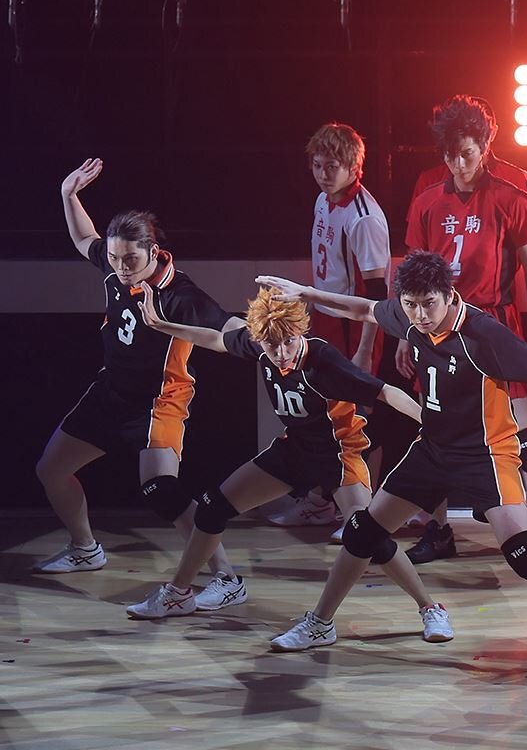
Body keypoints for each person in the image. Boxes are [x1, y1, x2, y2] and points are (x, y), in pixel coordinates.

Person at [255, 252, 527, 662]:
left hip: (486, 455)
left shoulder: (483, 333)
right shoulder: (411, 316)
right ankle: (320, 623)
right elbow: (364, 310)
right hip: (432, 450)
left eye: (428, 304)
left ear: (449, 295)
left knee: (525, 552)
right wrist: (307, 293)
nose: (419, 315)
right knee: (362, 533)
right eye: (411, 305)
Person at [125, 287, 450, 643]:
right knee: (212, 508)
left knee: (365, 536)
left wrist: (433, 423)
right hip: (294, 450)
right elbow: (215, 339)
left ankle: (429, 608)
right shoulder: (261, 345)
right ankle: (179, 593)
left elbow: (387, 392)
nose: (281, 352)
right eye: (271, 345)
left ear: (300, 331)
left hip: (338, 455)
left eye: (288, 342)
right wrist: (163, 326)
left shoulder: (323, 360)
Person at [34, 159, 244, 611]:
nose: (121, 267)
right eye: (114, 259)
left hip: (158, 401)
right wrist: (68, 195)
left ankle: (227, 578)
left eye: (130, 259)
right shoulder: (114, 266)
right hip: (111, 392)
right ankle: (85, 548)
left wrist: (267, 332)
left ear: (153, 251)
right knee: (50, 470)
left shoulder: (180, 295)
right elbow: (85, 240)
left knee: (162, 491)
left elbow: (228, 325)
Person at [403, 95, 527, 564]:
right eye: (451, 155)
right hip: (438, 328)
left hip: (491, 323)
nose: (459, 164)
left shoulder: (511, 194)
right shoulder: (428, 200)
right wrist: (408, 334)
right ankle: (438, 528)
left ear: (486, 146)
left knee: (523, 430)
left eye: (467, 153)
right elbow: (410, 278)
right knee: (433, 430)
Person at [270, 123, 392, 532]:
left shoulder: (364, 218)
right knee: (322, 415)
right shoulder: (323, 200)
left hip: (354, 325)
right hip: (324, 317)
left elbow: (377, 294)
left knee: (359, 418)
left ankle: (364, 514)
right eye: (317, 165)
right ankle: (324, 500)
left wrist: (364, 349)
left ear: (355, 166)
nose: (323, 174)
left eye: (332, 166)